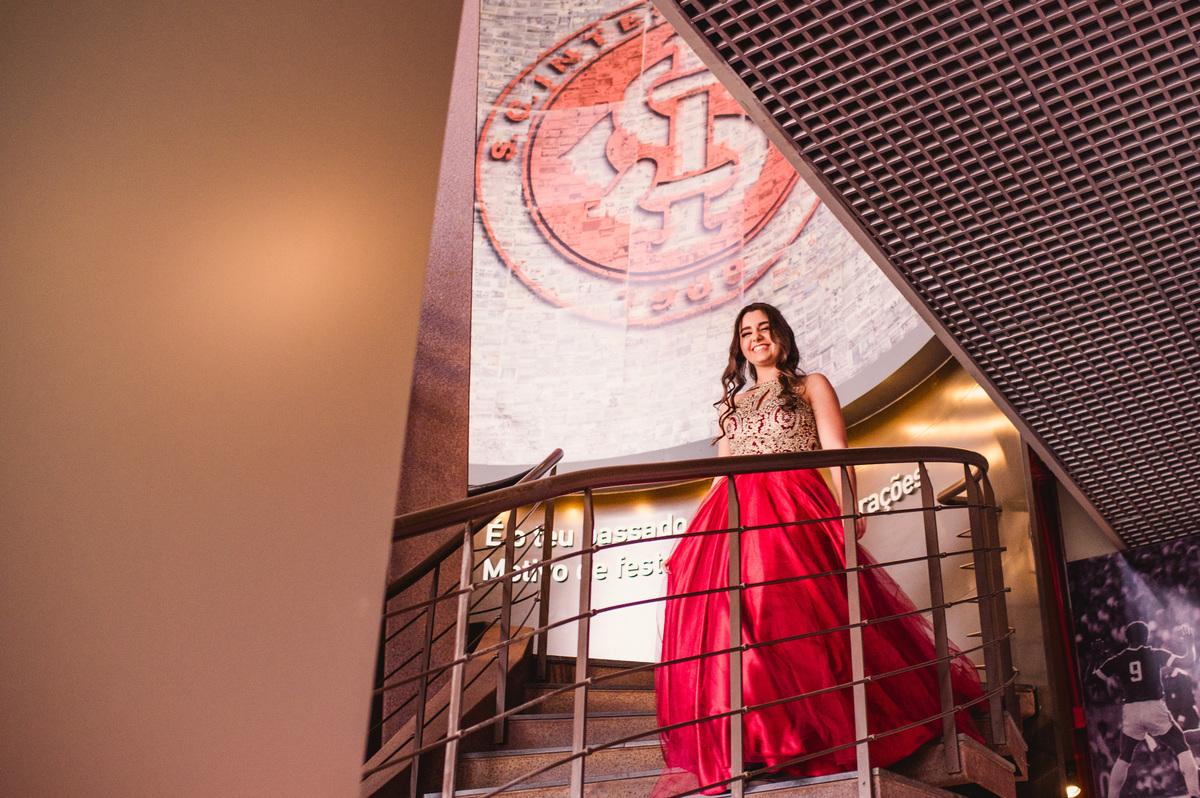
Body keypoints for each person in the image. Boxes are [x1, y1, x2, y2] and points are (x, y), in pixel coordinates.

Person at [654, 302, 984, 795]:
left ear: (782, 338)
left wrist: (849, 507)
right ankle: (760, 740)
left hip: (792, 504)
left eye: (765, 329)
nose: (756, 338)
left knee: (792, 617)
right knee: (738, 624)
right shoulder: (730, 407)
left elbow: (836, 449)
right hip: (736, 509)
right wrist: (688, 539)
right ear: (739, 347)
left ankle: (806, 734)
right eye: (746, 333)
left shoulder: (811, 386)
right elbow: (720, 477)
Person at [1092, 622, 1198, 797]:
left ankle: (1112, 796)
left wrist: (1095, 660)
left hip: (1131, 709)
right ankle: (1194, 792)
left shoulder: (1119, 659)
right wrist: (1189, 642)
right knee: (1181, 746)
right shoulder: (1154, 654)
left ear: (1127, 639)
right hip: (1153, 705)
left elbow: (1090, 680)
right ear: (1146, 637)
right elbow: (1188, 661)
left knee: (1124, 756)